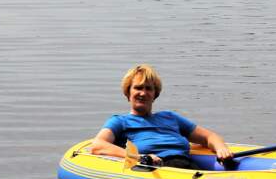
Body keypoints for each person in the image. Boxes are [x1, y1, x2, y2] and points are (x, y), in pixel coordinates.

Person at [90, 64, 233, 169]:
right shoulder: (120, 122)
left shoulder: (170, 117)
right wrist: (140, 157)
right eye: (138, 88)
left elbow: (209, 137)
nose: (143, 93)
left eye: (148, 88)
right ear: (128, 93)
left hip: (187, 167)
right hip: (157, 169)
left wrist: (221, 148)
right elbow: (98, 145)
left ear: (155, 94)